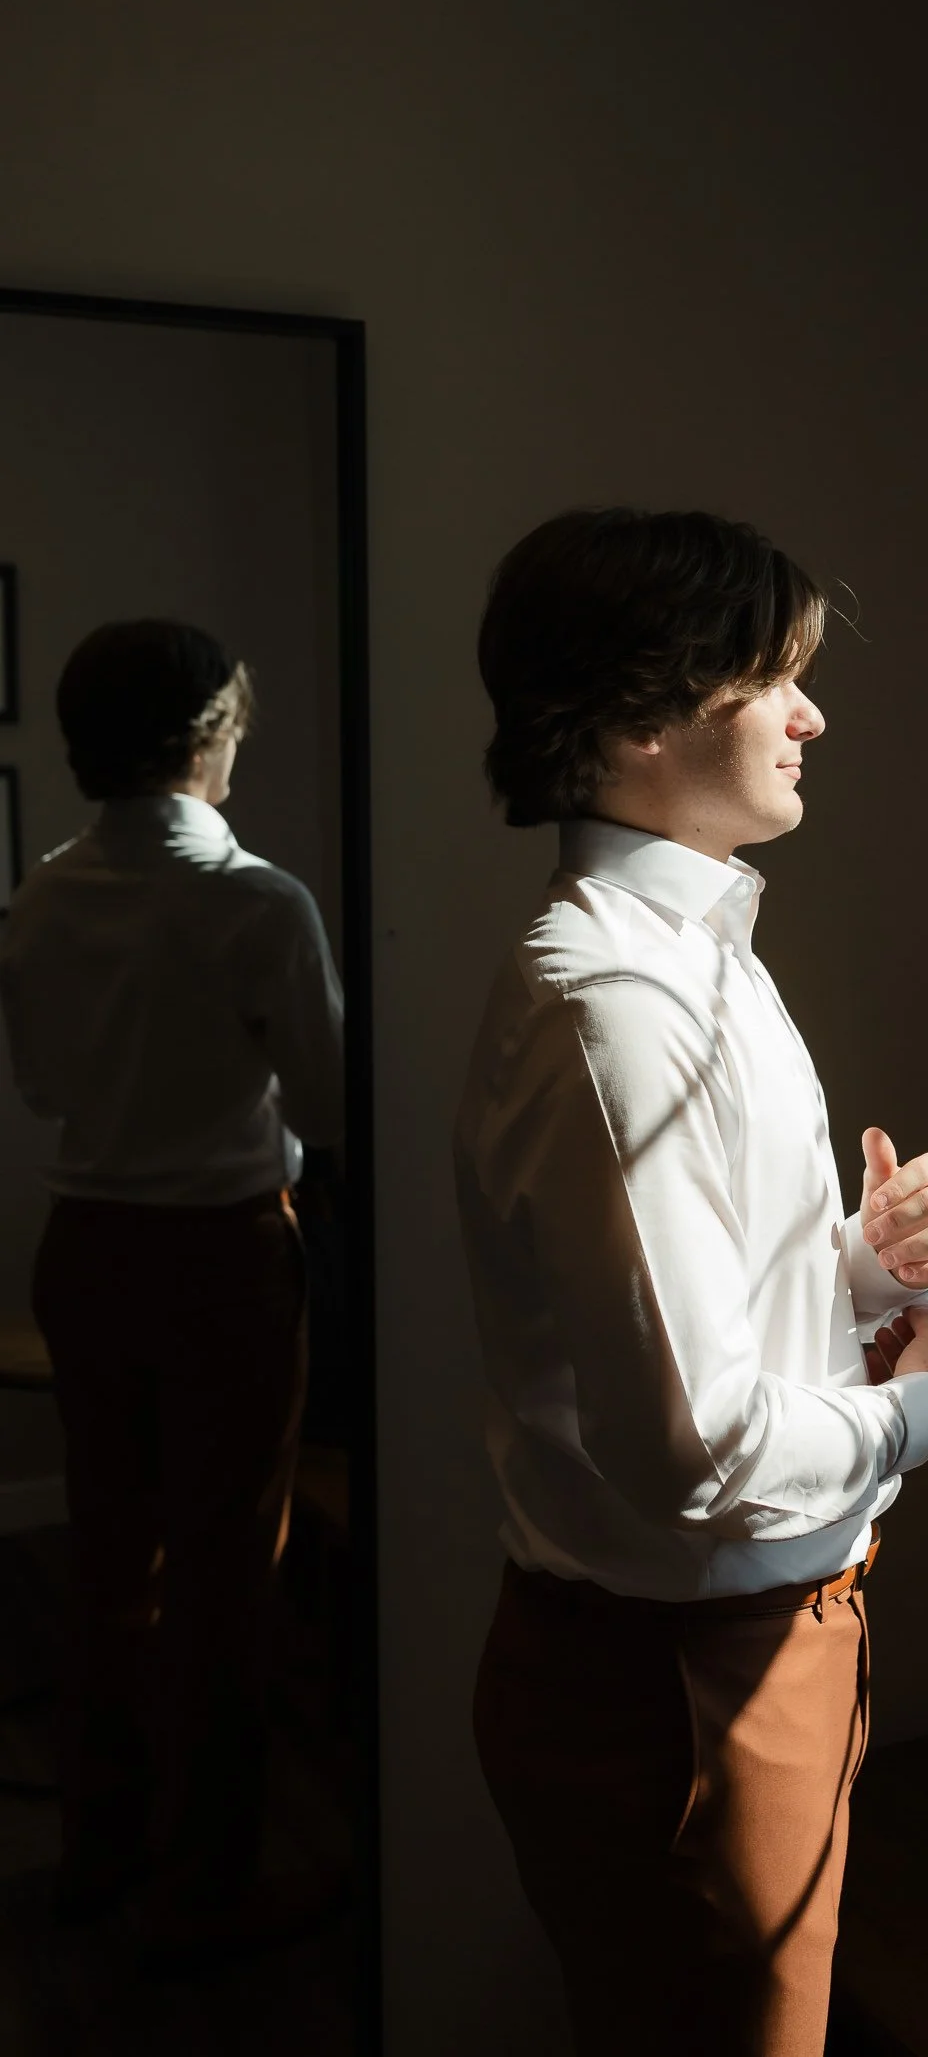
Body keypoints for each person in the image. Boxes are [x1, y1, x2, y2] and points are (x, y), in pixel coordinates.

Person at [455, 510, 928, 2057]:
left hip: (750, 1661)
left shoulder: (701, 953)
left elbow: (693, 1330)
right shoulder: (614, 1004)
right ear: (640, 716)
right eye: (776, 678)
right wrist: (925, 1402)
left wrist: (861, 1262)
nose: (813, 715)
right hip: (686, 1697)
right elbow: (703, 1449)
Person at [0, 618, 345, 1965]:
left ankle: (98, 1851)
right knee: (223, 1582)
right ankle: (207, 1885)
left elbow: (39, 1086)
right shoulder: (257, 901)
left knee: (107, 1562)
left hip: (85, 1244)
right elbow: (324, 1099)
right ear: (216, 737)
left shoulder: (38, 896)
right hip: (218, 1254)